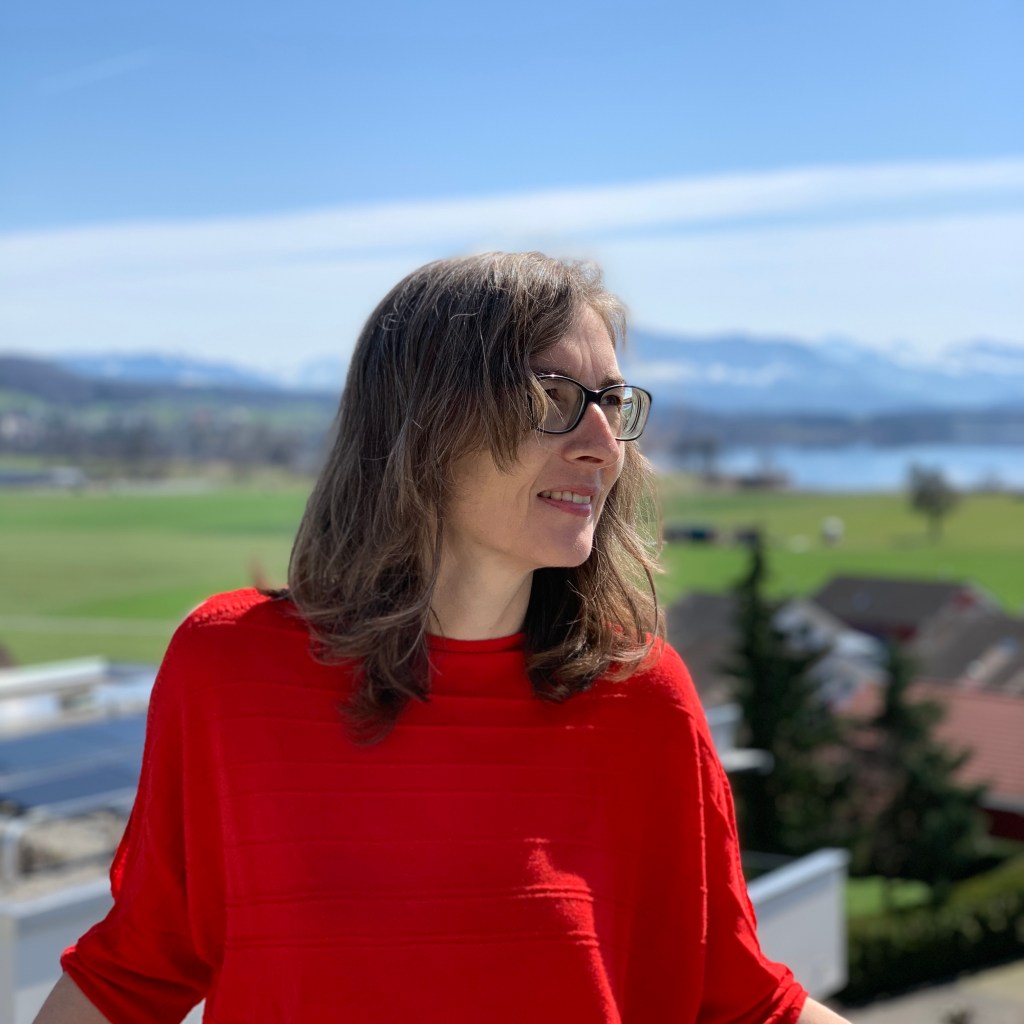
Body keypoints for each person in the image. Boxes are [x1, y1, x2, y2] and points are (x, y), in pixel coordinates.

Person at [35, 252, 850, 1023]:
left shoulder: (641, 695)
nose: (603, 445)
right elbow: (133, 972)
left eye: (612, 403)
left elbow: (742, 1002)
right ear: (424, 420)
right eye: (553, 396)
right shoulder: (229, 668)